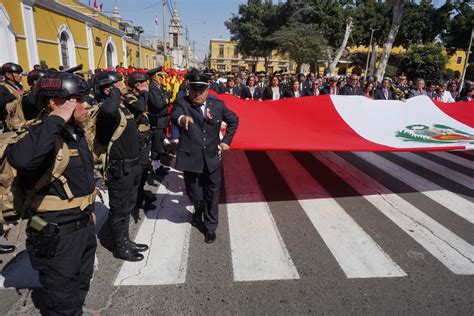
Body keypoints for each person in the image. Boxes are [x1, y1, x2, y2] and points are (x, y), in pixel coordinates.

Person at [6, 72, 96, 315]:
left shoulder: (74, 132)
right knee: (61, 301)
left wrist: (88, 210)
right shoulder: (40, 133)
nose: (87, 103)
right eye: (78, 98)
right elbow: (21, 158)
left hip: (83, 226)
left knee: (79, 287)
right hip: (57, 237)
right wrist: (56, 119)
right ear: (54, 102)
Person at [171, 71, 239, 243]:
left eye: (201, 90)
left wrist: (227, 141)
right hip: (191, 158)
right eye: (194, 90)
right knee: (196, 195)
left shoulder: (218, 106)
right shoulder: (182, 102)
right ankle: (198, 211)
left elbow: (234, 120)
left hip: (212, 158)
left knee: (212, 194)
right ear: (189, 89)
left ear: (208, 89)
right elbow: (175, 115)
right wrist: (182, 118)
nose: (198, 94)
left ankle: (210, 227)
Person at [94, 71, 148, 262]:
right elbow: (108, 111)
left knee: (128, 206)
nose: (124, 85)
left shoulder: (122, 107)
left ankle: (126, 240)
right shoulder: (106, 109)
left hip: (132, 165)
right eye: (119, 83)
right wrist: (114, 94)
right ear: (109, 89)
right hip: (120, 168)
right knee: (119, 209)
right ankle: (120, 246)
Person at [124, 71, 156, 211]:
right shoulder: (129, 98)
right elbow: (139, 108)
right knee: (139, 173)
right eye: (144, 83)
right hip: (137, 141)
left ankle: (141, 195)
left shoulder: (140, 96)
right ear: (137, 85)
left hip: (145, 140)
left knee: (143, 171)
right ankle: (137, 201)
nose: (146, 85)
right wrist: (143, 93)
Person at [147, 68, 170, 176]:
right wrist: (167, 98)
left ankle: (158, 165)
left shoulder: (158, 87)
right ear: (154, 77)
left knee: (159, 143)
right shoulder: (153, 88)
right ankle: (155, 167)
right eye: (160, 76)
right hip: (157, 120)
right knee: (156, 145)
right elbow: (158, 104)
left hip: (162, 120)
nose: (162, 78)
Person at [0, 63, 24, 127]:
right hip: (12, 126)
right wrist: (12, 96)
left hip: (23, 121)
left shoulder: (19, 86)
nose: (21, 75)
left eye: (21, 73)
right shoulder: (3, 88)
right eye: (18, 73)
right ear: (8, 74)